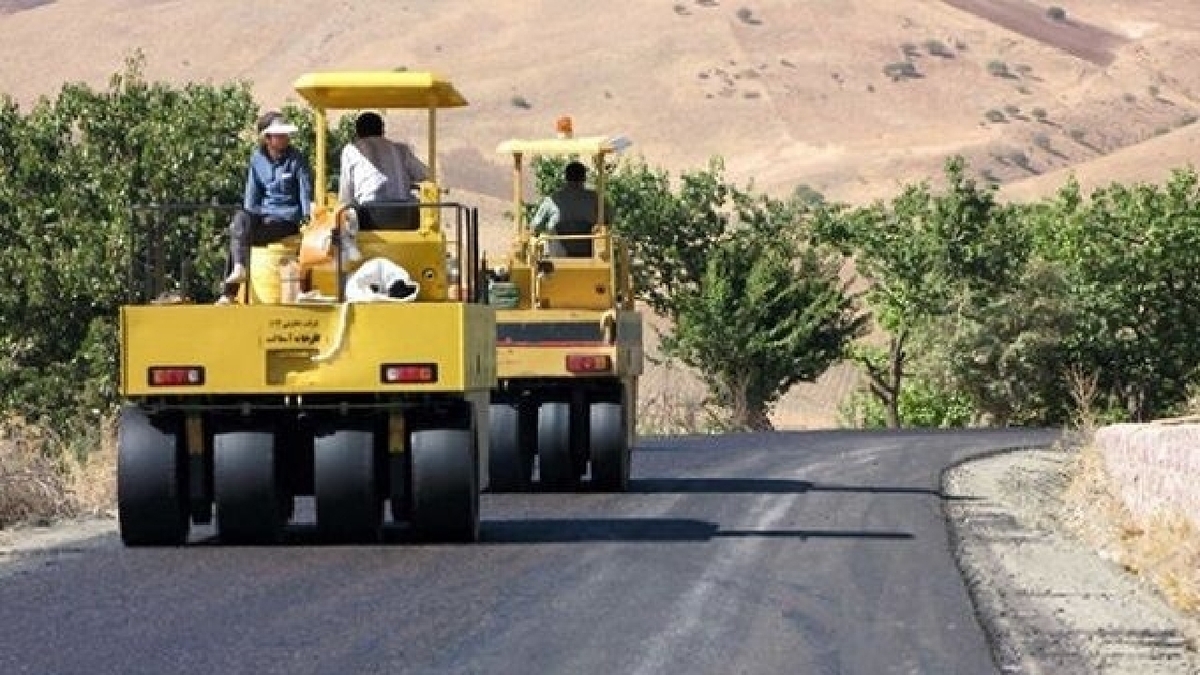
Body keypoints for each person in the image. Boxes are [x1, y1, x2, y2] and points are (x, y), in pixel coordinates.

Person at [218, 111, 314, 304]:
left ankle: (228, 293)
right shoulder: (257, 160)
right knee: (240, 223)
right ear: (267, 139)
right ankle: (239, 269)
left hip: (286, 219)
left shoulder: (296, 159)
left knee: (239, 235)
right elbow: (251, 197)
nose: (285, 138)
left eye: (285, 134)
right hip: (263, 216)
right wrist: (248, 218)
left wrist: (307, 219)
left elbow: (305, 191)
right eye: (279, 135)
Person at [338, 111, 429, 207]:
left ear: (357, 131)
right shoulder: (401, 150)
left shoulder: (351, 150)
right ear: (382, 129)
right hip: (404, 213)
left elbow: (346, 193)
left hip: (369, 213)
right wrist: (405, 181)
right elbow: (424, 174)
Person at [528, 161, 613, 257]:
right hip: (590, 256)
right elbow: (608, 220)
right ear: (584, 178)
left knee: (548, 234)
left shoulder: (552, 200)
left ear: (566, 177)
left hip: (558, 257)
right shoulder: (597, 199)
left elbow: (535, 227)